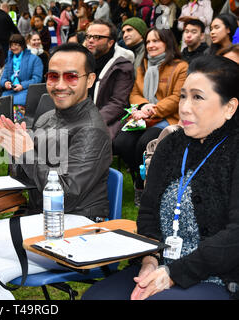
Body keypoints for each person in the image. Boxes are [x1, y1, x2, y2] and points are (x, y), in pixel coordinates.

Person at [0, 43, 112, 300]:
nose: (60, 84)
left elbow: (66, 195)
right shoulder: (47, 118)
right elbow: (25, 178)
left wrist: (25, 152)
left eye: (71, 76)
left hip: (80, 226)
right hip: (44, 219)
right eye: (53, 76)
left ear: (90, 80)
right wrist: (14, 146)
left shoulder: (91, 130)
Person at [82, 55, 239, 300]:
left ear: (229, 107)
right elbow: (147, 214)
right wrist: (149, 261)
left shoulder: (234, 151)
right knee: (96, 298)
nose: (184, 107)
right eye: (184, 96)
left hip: (218, 276)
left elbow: (234, 237)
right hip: (160, 264)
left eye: (197, 97)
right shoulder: (170, 145)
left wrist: (173, 273)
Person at [113, 28, 188, 207]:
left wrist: (151, 110)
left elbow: (178, 97)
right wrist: (143, 105)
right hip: (144, 116)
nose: (151, 45)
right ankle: (140, 180)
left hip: (169, 117)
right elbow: (135, 93)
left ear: (168, 43)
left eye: (156, 41)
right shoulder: (143, 65)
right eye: (148, 42)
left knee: (144, 143)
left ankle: (146, 185)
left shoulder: (180, 67)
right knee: (121, 142)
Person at [84, 19, 135, 140]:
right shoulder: (82, 62)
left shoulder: (122, 66)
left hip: (105, 120)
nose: (90, 40)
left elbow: (118, 103)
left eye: (97, 37)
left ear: (110, 42)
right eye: (88, 36)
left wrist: (91, 121)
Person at [0, 34, 43, 123]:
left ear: (22, 45)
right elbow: (3, 79)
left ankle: (18, 129)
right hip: (10, 91)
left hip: (26, 91)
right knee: (1, 107)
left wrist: (22, 85)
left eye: (17, 45)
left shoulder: (34, 59)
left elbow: (37, 79)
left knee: (16, 108)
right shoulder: (9, 60)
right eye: (12, 45)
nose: (14, 47)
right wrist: (6, 83)